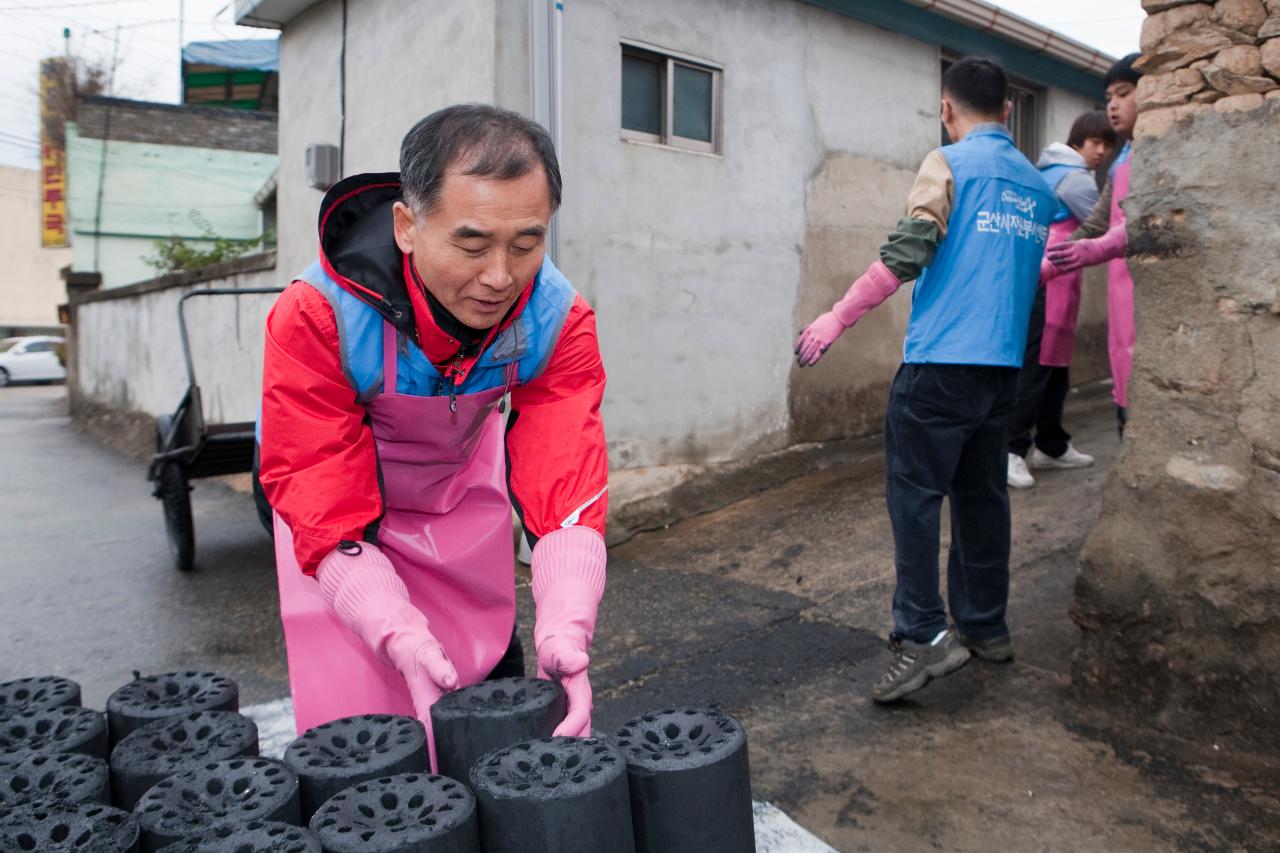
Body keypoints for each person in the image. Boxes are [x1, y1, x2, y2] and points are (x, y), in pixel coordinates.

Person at [255, 104, 609, 767]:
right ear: (407, 226)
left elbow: (565, 478)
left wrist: (569, 618)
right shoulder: (318, 316)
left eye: (526, 244)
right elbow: (317, 485)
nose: (500, 276)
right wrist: (391, 626)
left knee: (492, 696)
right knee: (366, 745)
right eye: (472, 244)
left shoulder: (558, 320)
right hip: (336, 520)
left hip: (455, 499)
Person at [795, 57, 1055, 703]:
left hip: (941, 365)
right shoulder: (1033, 183)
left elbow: (910, 250)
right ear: (1007, 110)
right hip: (1001, 370)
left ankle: (922, 635)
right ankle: (986, 625)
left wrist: (836, 316)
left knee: (914, 498)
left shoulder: (949, 162)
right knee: (981, 496)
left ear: (947, 109)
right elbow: (1030, 267)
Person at [1007, 111, 1117, 489]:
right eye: (1095, 143)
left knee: (1054, 365)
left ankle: (1051, 444)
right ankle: (1011, 450)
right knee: (1038, 366)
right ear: (1077, 143)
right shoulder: (1073, 179)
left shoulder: (1052, 170)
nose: (1101, 151)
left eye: (1107, 144)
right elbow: (1107, 222)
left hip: (1055, 275)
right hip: (1052, 275)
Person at [1047, 54, 1141, 437]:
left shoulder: (1159, 150)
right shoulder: (1123, 160)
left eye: (1124, 93)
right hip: (1121, 291)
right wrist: (1050, 264)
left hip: (1146, 289)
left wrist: (1093, 250)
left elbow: (1143, 223)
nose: (1114, 105)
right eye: (1109, 97)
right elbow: (1099, 222)